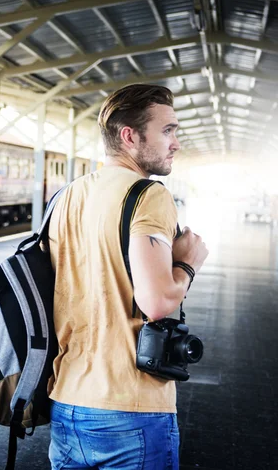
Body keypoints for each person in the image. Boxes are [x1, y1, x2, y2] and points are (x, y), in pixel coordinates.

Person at [47, 84, 208, 470]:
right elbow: (156, 302)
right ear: (129, 136)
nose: (176, 143)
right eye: (168, 130)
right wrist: (187, 264)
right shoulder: (148, 195)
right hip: (131, 407)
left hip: (67, 402)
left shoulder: (68, 195)